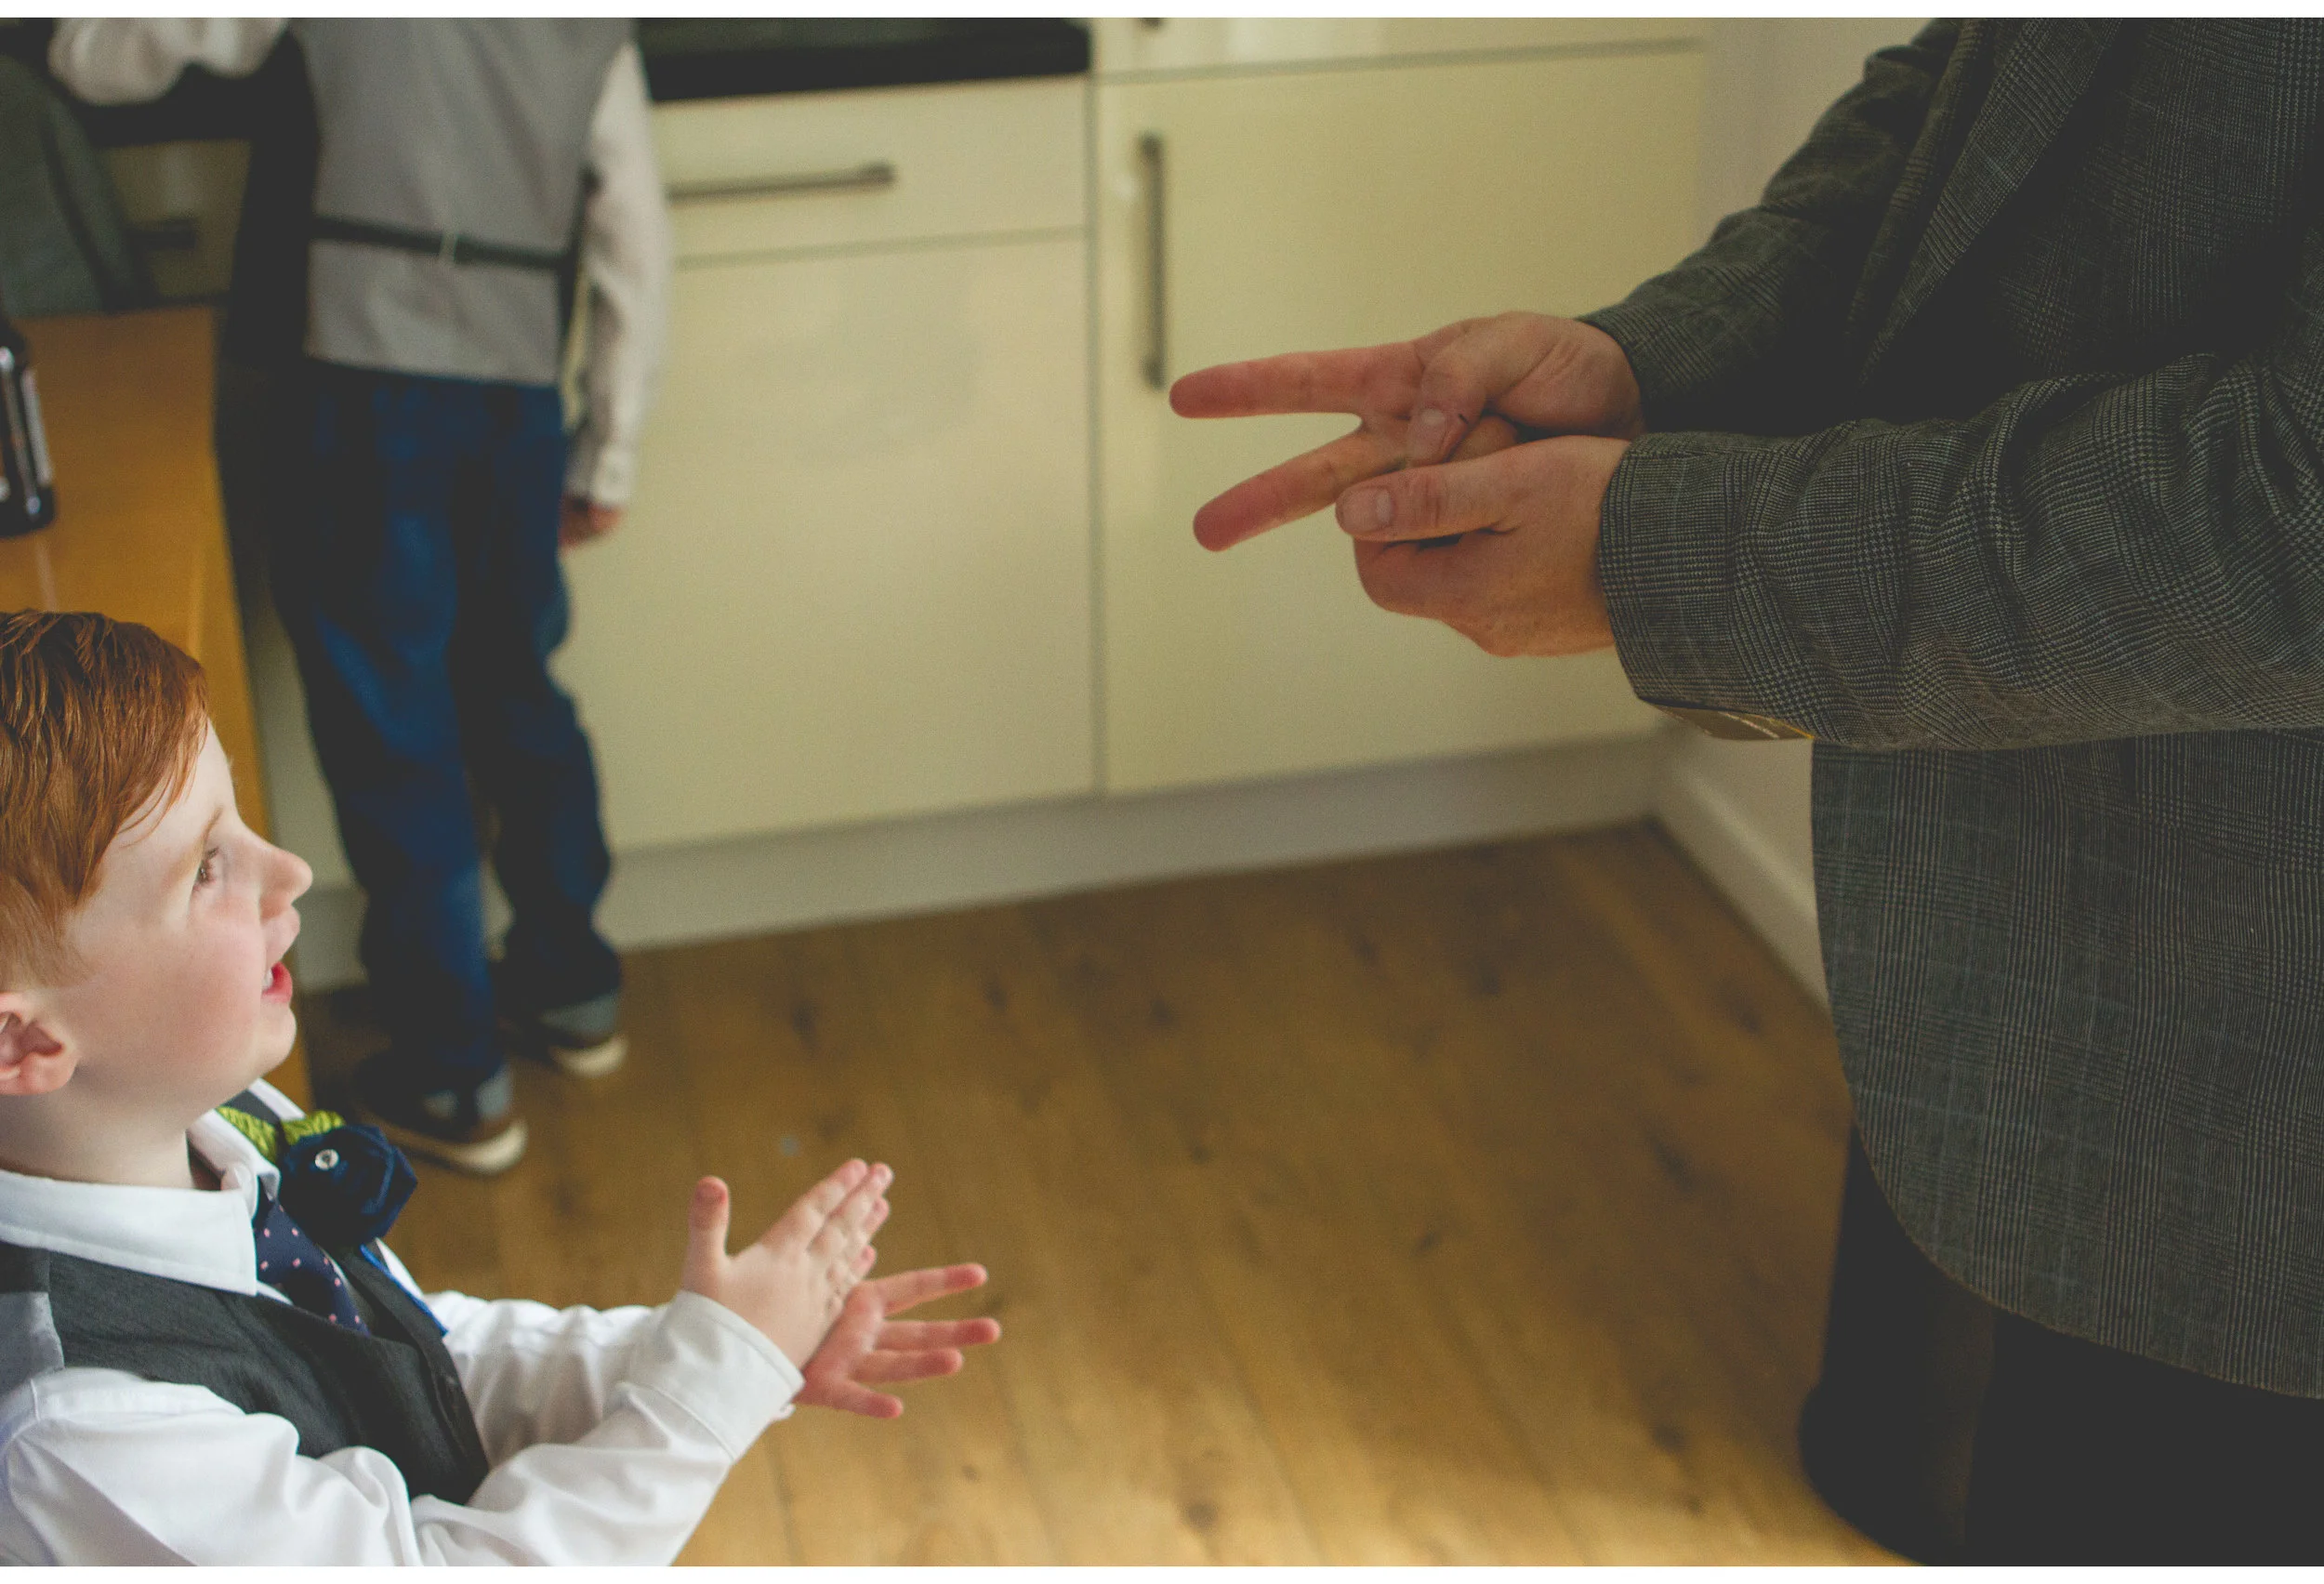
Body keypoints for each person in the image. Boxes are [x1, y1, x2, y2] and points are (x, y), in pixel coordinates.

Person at [1172, 19, 2324, 1564]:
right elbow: (1972, 88)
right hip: (2044, 973)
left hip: (2265, 1117)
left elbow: (2290, 516)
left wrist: (1666, 550)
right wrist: (1658, 355)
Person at [0, 609, 999, 1564]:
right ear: (23, 1042)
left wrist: (717, 1352)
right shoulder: (83, 1435)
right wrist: (708, 1387)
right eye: (205, 869)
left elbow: (417, 1350)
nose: (291, 869)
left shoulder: (201, 1116)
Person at [48, 20, 675, 1173]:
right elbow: (636, 234)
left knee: (397, 731)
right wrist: (611, 451)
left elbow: (98, 55)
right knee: (517, 694)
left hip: (366, 390)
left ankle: (453, 1068)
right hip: (516, 398)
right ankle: (569, 986)